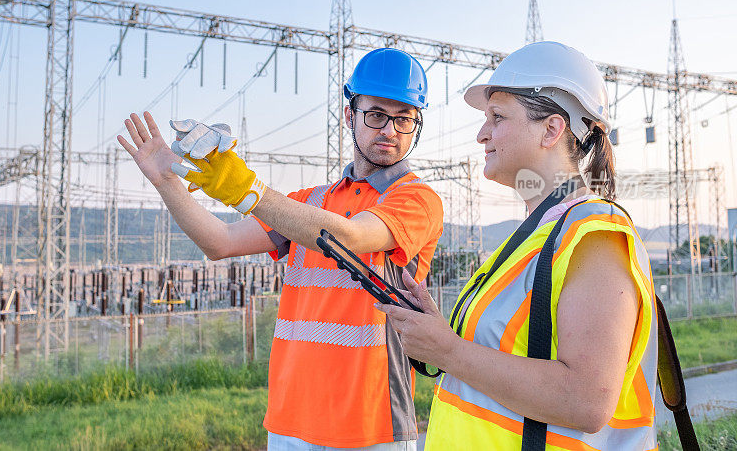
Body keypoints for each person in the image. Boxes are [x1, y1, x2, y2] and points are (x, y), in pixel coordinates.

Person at [117, 48, 444, 450]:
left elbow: (351, 237)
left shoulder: (416, 200)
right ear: (349, 116)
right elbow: (219, 242)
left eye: (404, 119)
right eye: (376, 115)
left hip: (371, 425)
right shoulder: (307, 202)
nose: (390, 130)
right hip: (290, 420)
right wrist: (166, 182)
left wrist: (246, 189)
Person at [376, 41, 658, 450]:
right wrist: (438, 333)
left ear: (551, 129)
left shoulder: (595, 236)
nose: (481, 133)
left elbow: (586, 400)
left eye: (497, 116)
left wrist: (449, 351)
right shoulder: (531, 235)